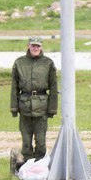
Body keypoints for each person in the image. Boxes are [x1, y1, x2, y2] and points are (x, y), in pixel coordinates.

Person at [10, 37, 58, 165]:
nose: (35, 48)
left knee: (41, 141)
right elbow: (14, 87)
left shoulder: (48, 63)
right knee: (26, 141)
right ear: (28, 46)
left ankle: (40, 165)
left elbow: (54, 87)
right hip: (24, 106)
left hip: (42, 106)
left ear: (41, 47)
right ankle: (26, 166)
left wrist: (52, 109)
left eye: (38, 46)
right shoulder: (19, 63)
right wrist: (14, 108)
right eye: (33, 46)